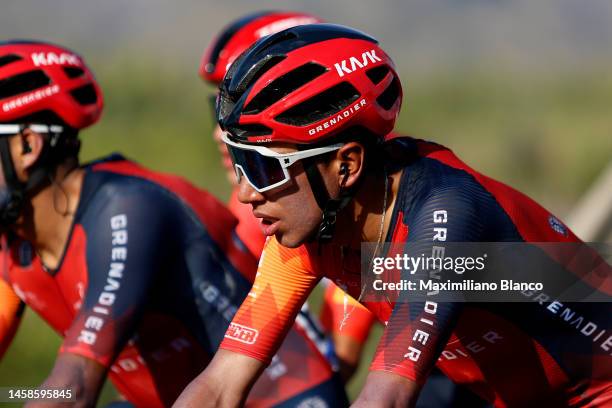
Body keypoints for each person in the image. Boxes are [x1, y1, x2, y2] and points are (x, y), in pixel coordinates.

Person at [174, 24, 612, 407]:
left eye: (265, 168)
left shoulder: (446, 212)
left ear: (346, 165)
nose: (246, 193)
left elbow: (386, 397)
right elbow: (219, 385)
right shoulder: (306, 234)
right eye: (239, 163)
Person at [0, 40, 348, 407]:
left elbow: (71, 391)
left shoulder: (126, 209)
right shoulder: (13, 243)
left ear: (27, 145)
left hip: (282, 398)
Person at [199, 10, 376, 381]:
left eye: (249, 111)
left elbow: (337, 362)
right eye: (218, 110)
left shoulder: (336, 194)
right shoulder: (257, 200)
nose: (221, 135)